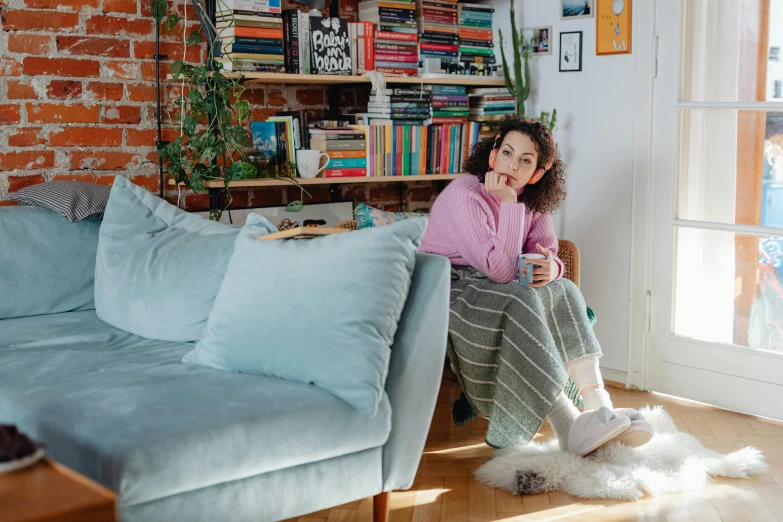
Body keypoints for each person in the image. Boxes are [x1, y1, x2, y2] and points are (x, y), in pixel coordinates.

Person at [420, 115, 653, 455]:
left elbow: (546, 253)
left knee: (564, 290)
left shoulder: (531, 200)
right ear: (493, 154)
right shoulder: (464, 196)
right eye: (508, 153)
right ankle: (567, 425)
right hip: (449, 288)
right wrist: (509, 205)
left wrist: (551, 268)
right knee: (520, 301)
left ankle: (598, 406)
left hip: (498, 283)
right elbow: (499, 270)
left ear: (538, 173)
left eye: (525, 161)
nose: (512, 166)